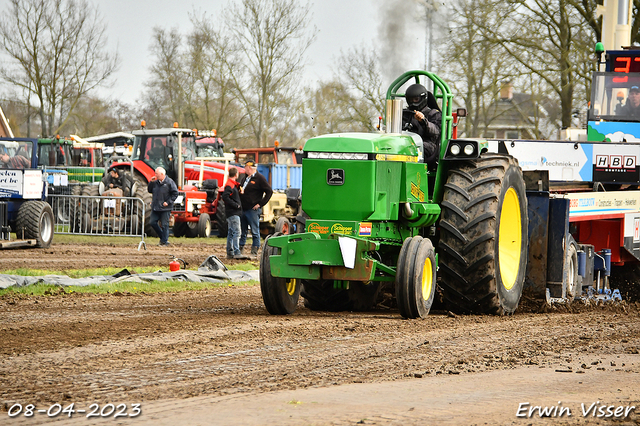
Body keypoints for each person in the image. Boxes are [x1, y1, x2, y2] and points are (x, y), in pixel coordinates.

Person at [402, 83, 442, 166]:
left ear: (423, 98)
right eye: (410, 99)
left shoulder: (434, 113)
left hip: (427, 144)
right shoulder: (404, 113)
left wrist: (423, 121)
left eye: (416, 99)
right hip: (406, 141)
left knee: (413, 146)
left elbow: (436, 131)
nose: (413, 102)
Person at [239, 160, 273, 256]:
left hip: (252, 210)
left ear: (249, 168)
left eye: (245, 167)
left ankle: (254, 250)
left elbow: (269, 191)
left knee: (254, 231)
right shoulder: (245, 178)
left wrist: (260, 204)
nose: (244, 169)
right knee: (243, 230)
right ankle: (240, 248)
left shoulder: (259, 178)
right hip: (243, 208)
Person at [147, 166, 178, 246]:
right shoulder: (155, 182)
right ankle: (163, 237)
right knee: (152, 222)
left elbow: (175, 193)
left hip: (165, 208)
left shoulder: (169, 182)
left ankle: (164, 242)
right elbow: (149, 190)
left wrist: (168, 202)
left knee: (164, 224)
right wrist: (151, 182)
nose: (155, 175)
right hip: (156, 207)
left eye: (156, 174)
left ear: (162, 174)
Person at [222, 167, 248, 260]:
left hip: (231, 212)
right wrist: (236, 205)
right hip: (233, 212)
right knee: (237, 232)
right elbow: (225, 196)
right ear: (236, 174)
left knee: (231, 232)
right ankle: (237, 252)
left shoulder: (232, 184)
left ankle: (230, 252)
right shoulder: (230, 185)